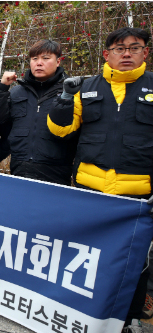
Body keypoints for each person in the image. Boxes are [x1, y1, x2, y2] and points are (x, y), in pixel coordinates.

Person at [47, 27, 151, 333]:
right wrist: (66, 96)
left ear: (145, 52)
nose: (127, 54)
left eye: (135, 48)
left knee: (134, 264)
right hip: (89, 191)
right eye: (120, 49)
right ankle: (79, 312)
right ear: (107, 55)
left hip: (137, 197)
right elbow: (60, 130)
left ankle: (128, 319)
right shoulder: (87, 87)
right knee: (85, 254)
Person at [0, 40, 78, 185]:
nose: (38, 63)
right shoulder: (17, 92)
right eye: (34, 58)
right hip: (20, 166)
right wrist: (2, 88)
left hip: (57, 170)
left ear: (58, 61)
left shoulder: (69, 92)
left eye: (45, 58)